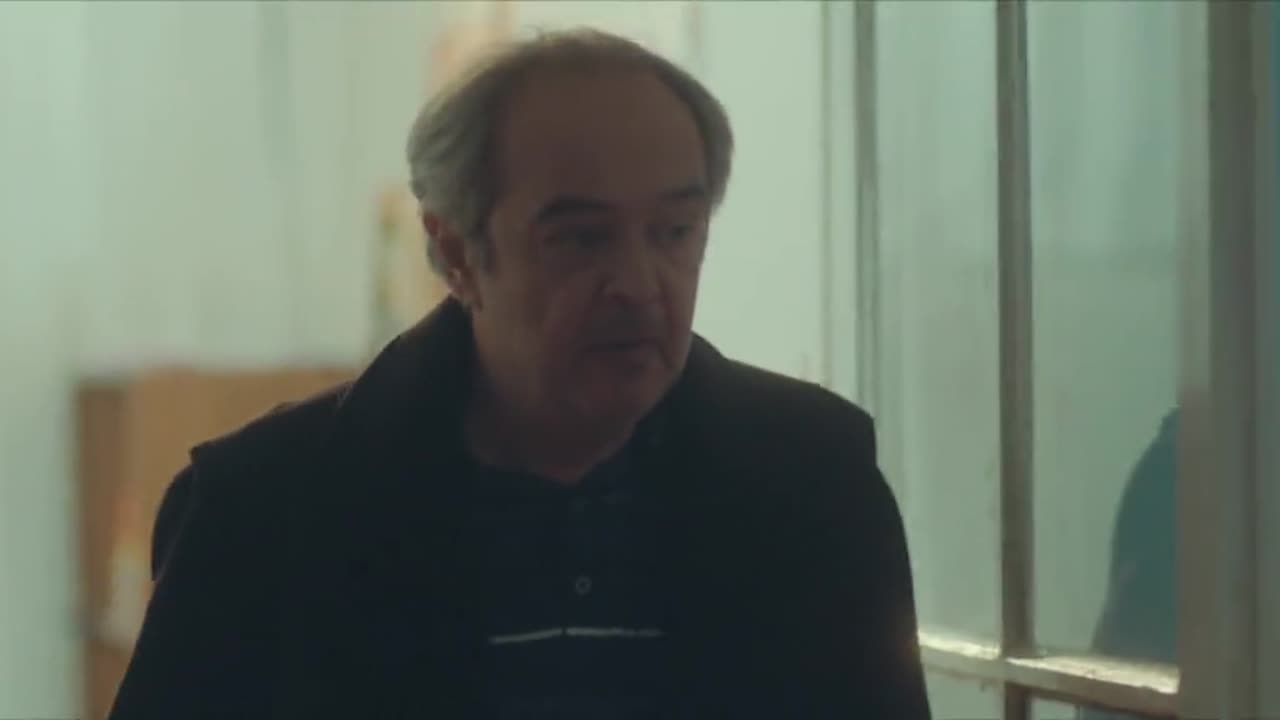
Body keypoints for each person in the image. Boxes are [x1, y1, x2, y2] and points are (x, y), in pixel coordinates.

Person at [108, 29, 930, 719]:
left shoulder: (812, 479)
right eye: (582, 238)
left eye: (675, 232)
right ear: (458, 253)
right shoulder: (268, 509)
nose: (639, 284)